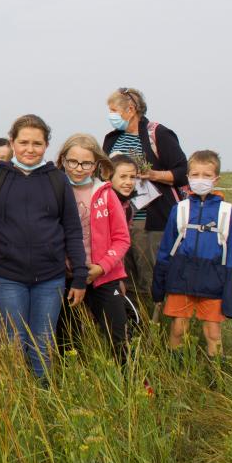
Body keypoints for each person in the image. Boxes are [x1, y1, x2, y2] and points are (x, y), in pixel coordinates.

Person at [0, 115, 84, 379]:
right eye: (23, 142)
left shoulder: (57, 180)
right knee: (12, 341)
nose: (29, 149)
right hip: (7, 277)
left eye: (37, 143)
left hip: (50, 278)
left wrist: (80, 276)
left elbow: (72, 229)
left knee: (43, 342)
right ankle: (15, 400)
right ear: (12, 142)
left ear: (47, 145)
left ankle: (43, 398)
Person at [103, 88, 189, 303]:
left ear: (130, 109)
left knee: (149, 279)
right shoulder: (112, 139)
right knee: (124, 279)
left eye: (113, 110)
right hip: (119, 220)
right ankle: (132, 328)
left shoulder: (157, 134)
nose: (110, 115)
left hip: (151, 221)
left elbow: (182, 172)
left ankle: (154, 328)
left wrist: (153, 174)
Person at [153, 150, 232, 359]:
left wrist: (230, 298)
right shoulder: (179, 209)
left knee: (212, 333)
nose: (200, 180)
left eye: (207, 175)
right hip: (181, 279)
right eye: (195, 175)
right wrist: (158, 287)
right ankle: (175, 371)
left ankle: (217, 378)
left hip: (213, 281)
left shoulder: (228, 212)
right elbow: (166, 250)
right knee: (178, 330)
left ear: (216, 178)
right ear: (188, 177)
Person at [56, 133, 132, 362]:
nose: (79, 168)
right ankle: (72, 380)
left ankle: (130, 380)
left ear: (96, 164)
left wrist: (102, 266)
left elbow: (122, 238)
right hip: (66, 277)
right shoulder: (54, 191)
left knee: (118, 335)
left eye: (86, 163)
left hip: (103, 277)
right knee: (68, 337)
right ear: (62, 160)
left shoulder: (106, 194)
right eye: (72, 162)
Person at [108, 154, 139, 228]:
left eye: (132, 177)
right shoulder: (102, 204)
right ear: (109, 177)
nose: (129, 182)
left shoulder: (128, 208)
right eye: (123, 177)